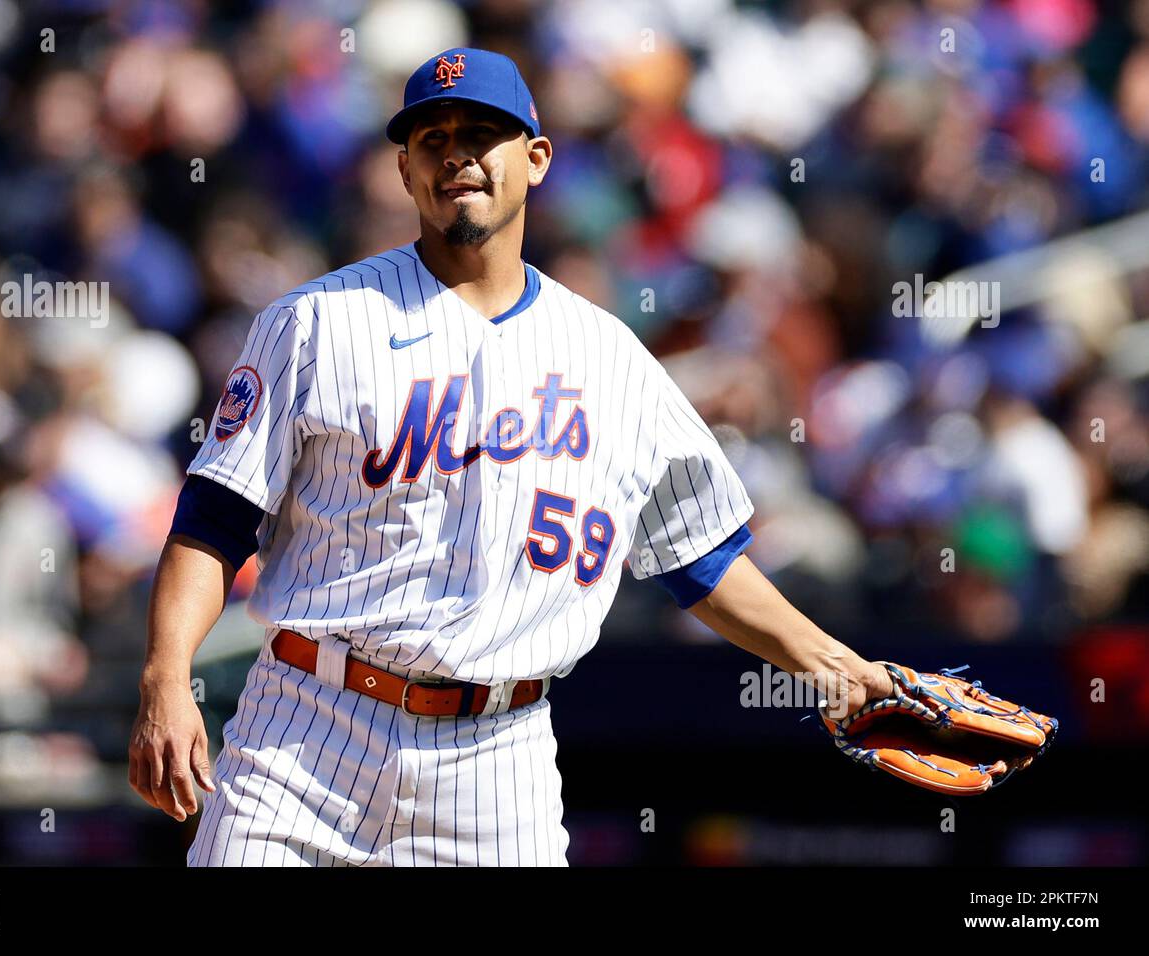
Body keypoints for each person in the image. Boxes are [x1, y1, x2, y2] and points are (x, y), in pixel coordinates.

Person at [127, 47, 893, 866]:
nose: (456, 153)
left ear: (535, 159)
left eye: (483, 133)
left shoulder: (609, 358)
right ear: (405, 167)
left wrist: (838, 667)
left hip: (497, 760)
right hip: (306, 732)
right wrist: (167, 678)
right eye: (433, 137)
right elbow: (213, 522)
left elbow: (699, 558)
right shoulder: (315, 323)